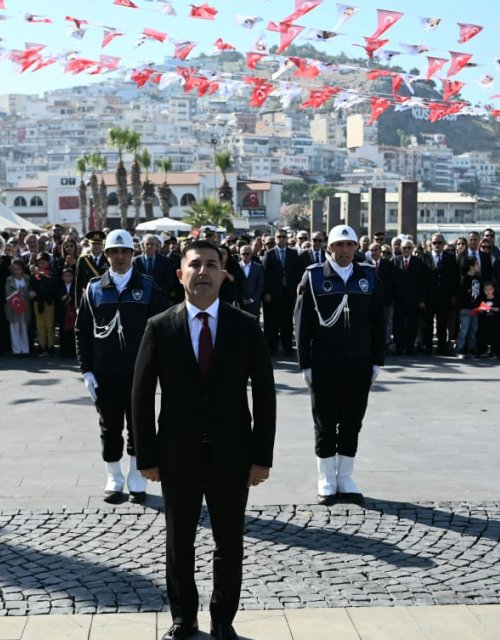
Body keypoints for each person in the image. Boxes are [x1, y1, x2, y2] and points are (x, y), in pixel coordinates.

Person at [131, 239, 275, 640]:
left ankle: (223, 619)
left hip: (233, 454)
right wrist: (146, 456)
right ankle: (184, 618)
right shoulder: (160, 326)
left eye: (212, 265)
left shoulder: (245, 326)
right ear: (181, 275)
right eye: (195, 265)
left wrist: (261, 456)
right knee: (179, 542)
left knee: (229, 542)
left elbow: (265, 395)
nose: (203, 272)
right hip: (177, 455)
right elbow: (140, 395)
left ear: (223, 274)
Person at [294, 225, 385, 505]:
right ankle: (326, 478)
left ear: (356, 248)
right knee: (325, 421)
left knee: (352, 420)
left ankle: (345, 477)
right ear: (329, 248)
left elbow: (378, 320)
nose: (345, 251)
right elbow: (302, 322)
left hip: (359, 362)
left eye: (349, 245)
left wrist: (377, 360)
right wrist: (305, 364)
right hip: (324, 363)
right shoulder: (314, 277)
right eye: (339, 245)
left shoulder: (368, 275)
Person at [77, 229, 167, 504]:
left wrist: (160, 368)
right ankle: (114, 478)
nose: (119, 256)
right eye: (113, 251)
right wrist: (86, 370)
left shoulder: (148, 287)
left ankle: (137, 478)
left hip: (140, 371)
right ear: (106, 254)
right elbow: (82, 331)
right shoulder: (94, 288)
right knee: (110, 427)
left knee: (139, 426)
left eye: (124, 251)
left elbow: (161, 330)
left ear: (132, 253)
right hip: (105, 372)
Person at [260, 228, 300, 355]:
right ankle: (272, 348)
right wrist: (266, 292)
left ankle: (288, 347)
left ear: (287, 238)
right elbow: (264, 275)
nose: (281, 239)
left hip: (288, 294)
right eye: (279, 237)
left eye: (283, 237)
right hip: (273, 295)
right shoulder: (269, 254)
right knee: (272, 323)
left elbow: (297, 274)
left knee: (287, 322)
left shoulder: (293, 253)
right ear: (275, 238)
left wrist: (296, 293)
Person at [421, 234, 457, 355]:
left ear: (443, 243)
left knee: (442, 323)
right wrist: (422, 298)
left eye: (439, 243)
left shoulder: (450, 257)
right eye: (434, 243)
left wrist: (453, 295)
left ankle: (441, 347)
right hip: (429, 297)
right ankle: (428, 347)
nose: (437, 245)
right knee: (428, 323)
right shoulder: (424, 257)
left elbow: (454, 278)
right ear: (430, 244)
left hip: (444, 297)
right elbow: (421, 280)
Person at [3, 258, 32, 356]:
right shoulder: (9, 280)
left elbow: (30, 291)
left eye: (18, 269)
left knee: (24, 327)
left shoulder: (27, 278)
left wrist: (28, 294)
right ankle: (16, 350)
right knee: (14, 327)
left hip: (25, 306)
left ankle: (25, 349)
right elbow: (7, 293)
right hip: (13, 307)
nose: (16, 271)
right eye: (14, 269)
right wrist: (17, 294)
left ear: (23, 269)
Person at [237, 242, 264, 318]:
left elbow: (261, 285)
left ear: (251, 254)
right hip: (240, 303)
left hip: (254, 304)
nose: (245, 255)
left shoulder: (258, 267)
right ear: (240, 254)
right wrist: (241, 299)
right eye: (243, 254)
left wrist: (252, 299)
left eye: (247, 254)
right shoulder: (236, 267)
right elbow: (235, 285)